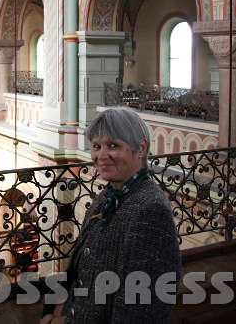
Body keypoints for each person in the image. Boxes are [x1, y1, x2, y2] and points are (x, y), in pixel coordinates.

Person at [42, 107, 181, 324]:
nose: (101, 156)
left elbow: (139, 312)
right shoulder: (106, 197)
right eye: (96, 146)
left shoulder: (150, 210)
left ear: (141, 148)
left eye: (113, 146)